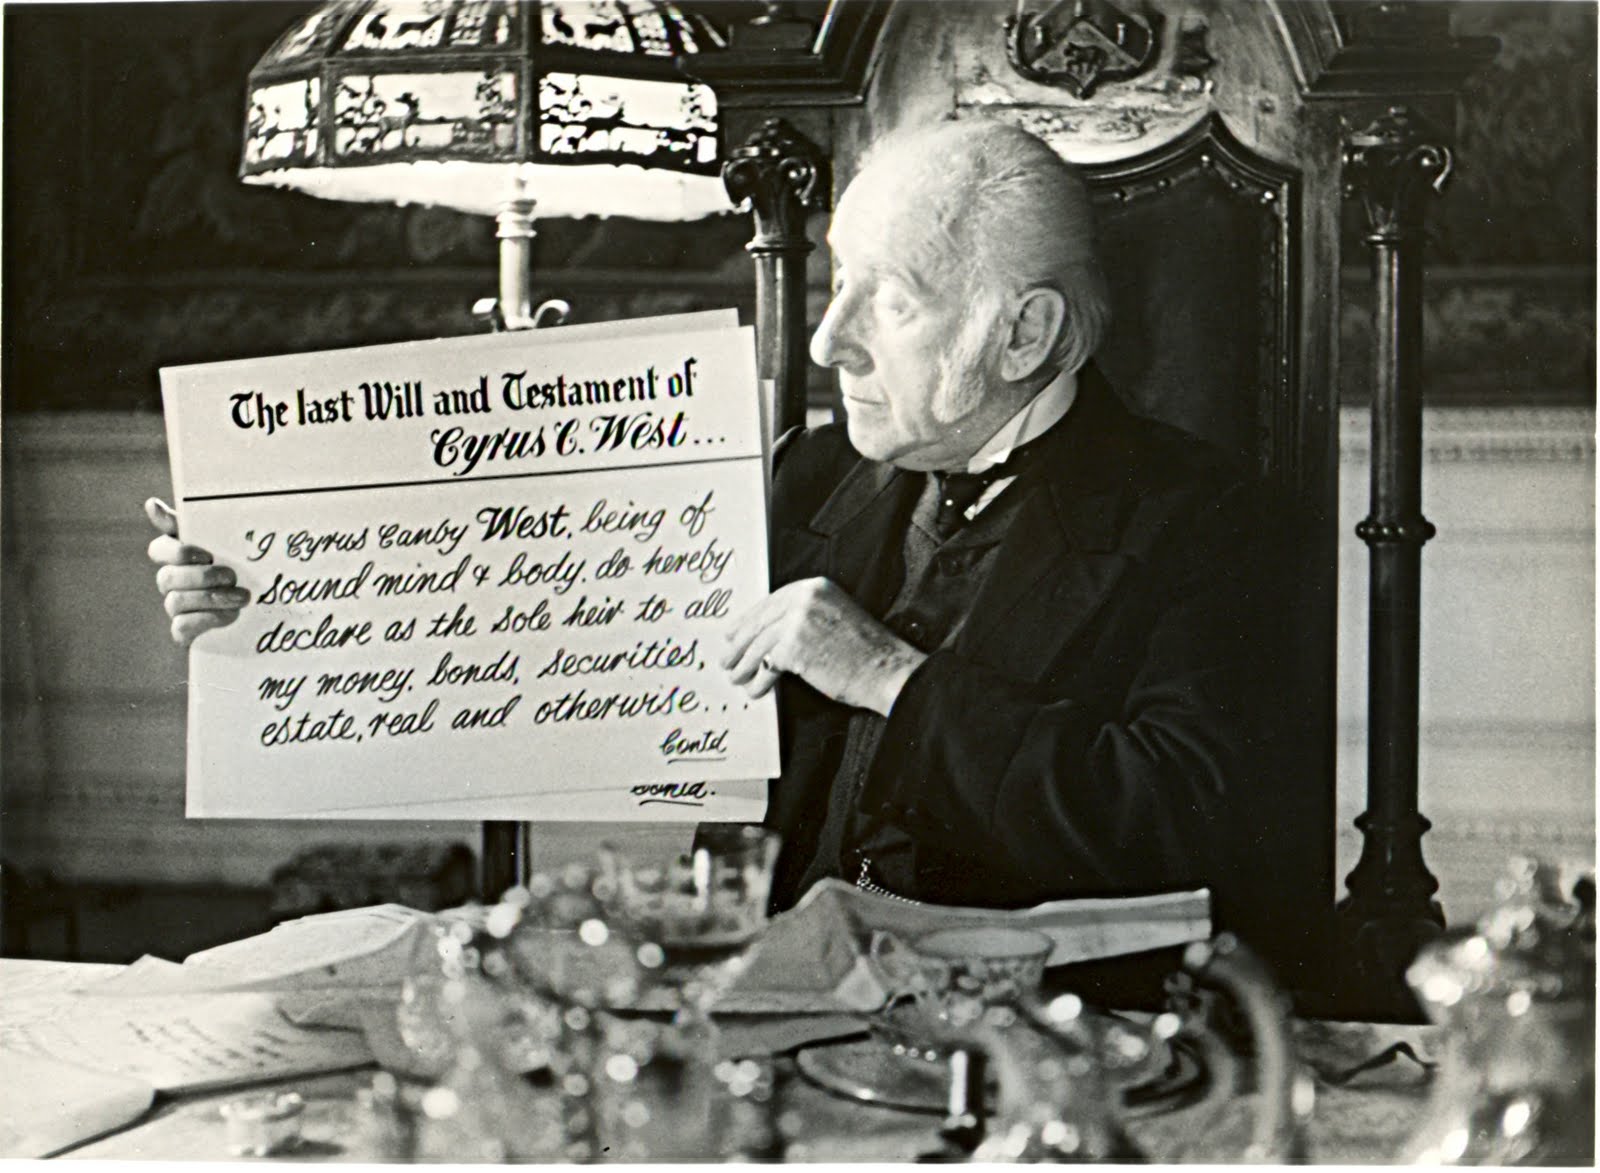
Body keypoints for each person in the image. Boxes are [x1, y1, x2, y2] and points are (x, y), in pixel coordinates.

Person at [151, 119, 1320, 987]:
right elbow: (542, 639)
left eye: (890, 301)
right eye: (839, 281)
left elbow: (1187, 824)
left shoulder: (1211, 521)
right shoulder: (807, 478)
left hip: (1040, 1039)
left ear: (1024, 334)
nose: (827, 340)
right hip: (764, 1002)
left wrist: (889, 678)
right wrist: (278, 602)